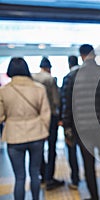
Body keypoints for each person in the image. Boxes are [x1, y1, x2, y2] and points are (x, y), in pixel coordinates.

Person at [61, 44, 100, 200]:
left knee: (88, 163)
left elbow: (67, 106)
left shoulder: (71, 77)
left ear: (81, 56)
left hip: (81, 128)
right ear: (94, 54)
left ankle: (94, 196)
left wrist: (67, 129)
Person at [0, 57, 50, 200]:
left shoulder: (3, 91)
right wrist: (43, 129)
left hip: (14, 137)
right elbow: (45, 114)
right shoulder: (39, 89)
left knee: (19, 177)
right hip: (36, 135)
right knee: (35, 173)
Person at [32, 57, 64, 190]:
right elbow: (56, 101)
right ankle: (49, 178)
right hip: (50, 117)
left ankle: (43, 174)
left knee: (39, 148)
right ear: (49, 68)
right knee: (51, 149)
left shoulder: (32, 78)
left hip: (36, 117)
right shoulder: (50, 79)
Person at [60, 55, 80, 190]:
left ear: (68, 64)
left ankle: (75, 179)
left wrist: (66, 124)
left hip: (73, 123)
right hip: (88, 124)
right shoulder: (87, 77)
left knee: (72, 151)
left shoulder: (68, 78)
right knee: (87, 155)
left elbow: (66, 103)